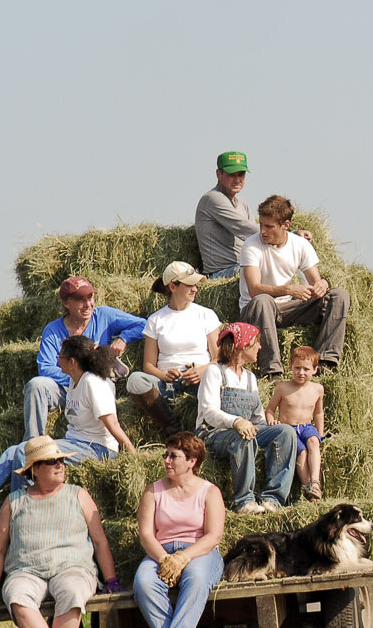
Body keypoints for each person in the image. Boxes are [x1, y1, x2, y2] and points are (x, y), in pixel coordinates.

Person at [0, 435, 121, 628]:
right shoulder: (15, 501)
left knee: (72, 592)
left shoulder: (78, 495)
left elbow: (100, 540)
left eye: (60, 460)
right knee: (17, 596)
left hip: (72, 568)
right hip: (26, 570)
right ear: (34, 470)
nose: (59, 465)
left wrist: (111, 578)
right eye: (51, 462)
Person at [0, 335, 135, 517]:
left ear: (71, 362)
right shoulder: (74, 383)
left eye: (61, 356)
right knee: (13, 452)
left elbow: (112, 422)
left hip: (97, 449)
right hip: (75, 443)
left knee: (26, 454)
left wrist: (132, 455)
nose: (58, 360)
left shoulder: (93, 382)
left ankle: (20, 514)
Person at [133, 431, 226, 628]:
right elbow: (146, 534)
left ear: (191, 462)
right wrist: (165, 559)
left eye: (173, 456)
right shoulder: (153, 492)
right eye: (166, 455)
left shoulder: (210, 492)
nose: (166, 461)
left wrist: (184, 558)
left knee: (196, 579)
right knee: (143, 582)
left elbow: (213, 535)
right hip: (160, 552)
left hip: (199, 552)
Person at [239, 194, 349, 378]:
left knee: (338, 296)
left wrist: (322, 285)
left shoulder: (300, 245)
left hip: (287, 308)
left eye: (269, 226)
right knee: (262, 301)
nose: (263, 231)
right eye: (261, 225)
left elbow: (316, 281)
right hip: (256, 310)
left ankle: (325, 362)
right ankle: (272, 372)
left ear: (286, 225)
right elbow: (254, 289)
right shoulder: (251, 245)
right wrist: (289, 289)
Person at [24, 276, 146, 440]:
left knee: (105, 385)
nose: (88, 304)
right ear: (66, 303)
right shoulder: (52, 330)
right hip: (64, 387)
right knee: (36, 385)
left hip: (96, 384)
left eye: (90, 297)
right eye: (80, 300)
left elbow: (144, 324)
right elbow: (45, 367)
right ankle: (34, 445)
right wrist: (78, 378)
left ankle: (105, 443)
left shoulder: (104, 316)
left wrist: (124, 338)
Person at [197, 322, 298, 513]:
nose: (260, 347)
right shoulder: (214, 372)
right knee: (244, 436)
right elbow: (209, 412)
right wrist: (236, 421)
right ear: (242, 345)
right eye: (256, 342)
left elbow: (257, 416)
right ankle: (244, 501)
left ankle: (272, 498)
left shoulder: (250, 377)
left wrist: (268, 427)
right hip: (213, 433)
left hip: (246, 429)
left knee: (285, 432)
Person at [124, 261, 222, 435]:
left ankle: (203, 431)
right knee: (135, 380)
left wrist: (202, 370)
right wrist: (164, 375)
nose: (195, 289)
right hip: (166, 385)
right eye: (190, 285)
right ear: (173, 287)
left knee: (216, 382)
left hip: (199, 381)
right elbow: (148, 365)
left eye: (195, 285)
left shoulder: (206, 315)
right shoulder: (156, 320)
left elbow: (219, 358)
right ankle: (172, 428)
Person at [193, 151, 314, 278]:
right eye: (231, 175)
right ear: (219, 174)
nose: (237, 180)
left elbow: (256, 236)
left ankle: (312, 294)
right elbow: (248, 231)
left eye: (241, 175)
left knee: (286, 262)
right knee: (272, 267)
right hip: (221, 272)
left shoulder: (242, 203)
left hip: (243, 264)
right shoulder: (213, 199)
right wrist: (292, 235)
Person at [266, 345, 327, 500]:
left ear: (315, 369)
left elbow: (318, 412)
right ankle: (308, 487)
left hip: (307, 427)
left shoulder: (318, 389)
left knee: (313, 442)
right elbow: (270, 409)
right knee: (302, 453)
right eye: (297, 368)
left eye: (306, 369)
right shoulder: (282, 387)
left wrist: (320, 434)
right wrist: (272, 421)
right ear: (290, 367)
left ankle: (315, 482)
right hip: (289, 429)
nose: (301, 373)